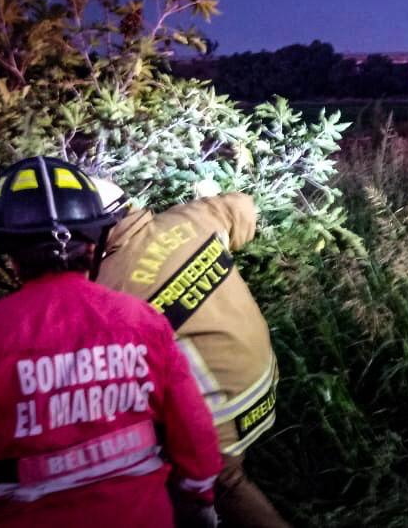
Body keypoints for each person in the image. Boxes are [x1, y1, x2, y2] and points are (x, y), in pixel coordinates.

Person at [0, 157, 222, 528]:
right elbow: (195, 435)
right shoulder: (142, 320)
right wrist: (198, 497)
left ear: (10, 256)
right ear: (93, 245)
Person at [94, 179, 290, 528]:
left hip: (222, 414)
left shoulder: (109, 290)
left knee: (223, 483)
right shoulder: (192, 218)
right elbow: (242, 206)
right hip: (266, 377)